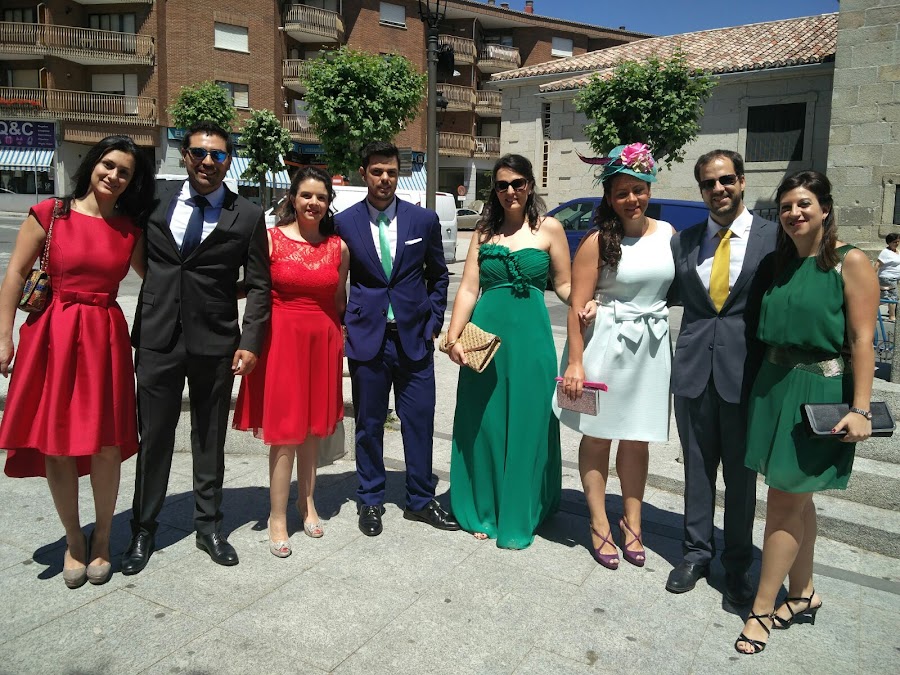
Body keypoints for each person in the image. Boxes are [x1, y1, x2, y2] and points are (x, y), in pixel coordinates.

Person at [0, 135, 154, 587]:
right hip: (53, 336)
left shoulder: (130, 229)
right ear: (92, 164)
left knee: (107, 444)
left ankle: (102, 536)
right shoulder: (51, 213)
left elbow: (159, 278)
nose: (114, 176)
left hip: (104, 338)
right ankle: (73, 539)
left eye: (124, 172)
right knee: (56, 444)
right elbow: (16, 272)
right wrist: (3, 336)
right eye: (108, 165)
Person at [734, 170, 879, 654]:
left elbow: (862, 340)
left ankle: (760, 610)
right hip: (772, 388)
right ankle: (803, 593)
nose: (794, 213)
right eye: (786, 207)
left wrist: (861, 409)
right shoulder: (782, 263)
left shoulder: (849, 261)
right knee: (798, 501)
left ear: (825, 209)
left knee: (783, 502)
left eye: (804, 204)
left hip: (816, 391)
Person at [122, 121, 271, 573]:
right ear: (185, 155)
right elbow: (137, 253)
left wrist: (251, 341)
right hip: (158, 337)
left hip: (216, 341)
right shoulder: (155, 199)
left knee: (209, 438)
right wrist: (163, 292)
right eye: (200, 153)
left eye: (218, 155)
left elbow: (259, 285)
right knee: (154, 437)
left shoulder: (247, 214)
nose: (208, 162)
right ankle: (143, 530)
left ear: (229, 161)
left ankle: (209, 527)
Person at [446, 153, 588, 549]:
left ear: (530, 185)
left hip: (531, 341)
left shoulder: (550, 228)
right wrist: (453, 337)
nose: (510, 191)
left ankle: (522, 509)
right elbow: (469, 289)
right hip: (485, 339)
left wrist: (584, 303)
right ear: (495, 190)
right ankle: (484, 508)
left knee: (530, 420)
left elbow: (563, 284)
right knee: (484, 422)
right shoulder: (483, 231)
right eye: (502, 185)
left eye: (517, 183)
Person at [555, 143, 674, 568]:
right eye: (622, 192)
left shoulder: (668, 234)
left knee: (638, 437)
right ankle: (599, 520)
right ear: (609, 196)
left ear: (649, 189)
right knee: (598, 435)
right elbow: (577, 305)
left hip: (652, 349)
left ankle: (633, 521)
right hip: (605, 346)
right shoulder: (596, 242)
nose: (631, 199)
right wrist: (575, 362)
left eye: (638, 189)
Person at [666, 149, 777, 604]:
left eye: (726, 180)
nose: (719, 189)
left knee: (740, 477)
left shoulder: (774, 238)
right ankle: (696, 554)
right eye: (709, 183)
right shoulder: (685, 242)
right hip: (693, 371)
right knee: (697, 469)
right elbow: (659, 293)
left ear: (742, 181)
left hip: (745, 375)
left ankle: (737, 564)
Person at [335, 141, 458, 537]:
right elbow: (334, 277)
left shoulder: (423, 220)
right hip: (367, 338)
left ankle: (420, 499)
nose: (385, 179)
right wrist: (342, 323)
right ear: (363, 174)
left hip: (414, 338)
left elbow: (438, 274)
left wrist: (434, 320)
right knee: (369, 423)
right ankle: (370, 498)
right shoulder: (344, 223)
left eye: (391, 171)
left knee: (419, 420)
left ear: (399, 174)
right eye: (377, 172)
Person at [233, 167, 349, 556]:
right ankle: (277, 516)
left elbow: (338, 302)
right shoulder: (271, 240)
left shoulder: (338, 248)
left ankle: (307, 502)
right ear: (293, 198)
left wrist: (340, 341)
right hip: (281, 342)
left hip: (322, 342)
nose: (313, 203)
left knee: (313, 430)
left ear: (328, 203)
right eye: (306, 195)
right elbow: (255, 293)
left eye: (321, 197)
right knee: (284, 433)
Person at [875, 232, 899, 321]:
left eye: (898, 241)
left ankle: (868, 306)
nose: (897, 243)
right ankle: (892, 316)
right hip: (887, 278)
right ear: (889, 242)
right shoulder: (885, 252)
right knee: (892, 297)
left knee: (885, 297)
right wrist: (872, 276)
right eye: (894, 242)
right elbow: (877, 264)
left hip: (894, 278)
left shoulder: (897, 251)